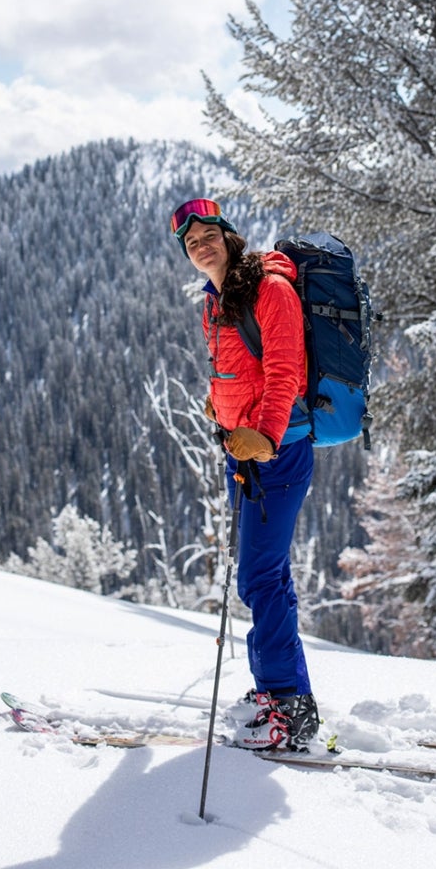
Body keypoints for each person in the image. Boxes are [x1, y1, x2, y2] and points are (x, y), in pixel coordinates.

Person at [172, 196, 318, 751]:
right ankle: (281, 697)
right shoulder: (217, 299)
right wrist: (223, 406)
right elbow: (238, 368)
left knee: (260, 578)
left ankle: (287, 705)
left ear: (230, 236)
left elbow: (286, 371)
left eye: (208, 235)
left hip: (277, 453)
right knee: (265, 576)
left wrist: (267, 434)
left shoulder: (269, 288)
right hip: (247, 451)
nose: (200, 247)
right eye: (190, 244)